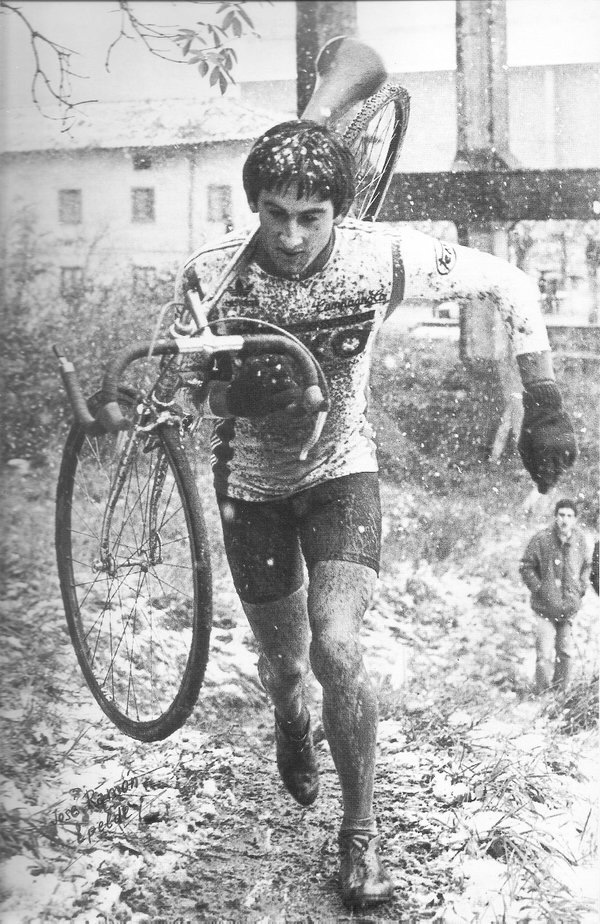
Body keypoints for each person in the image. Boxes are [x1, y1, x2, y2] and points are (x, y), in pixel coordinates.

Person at [176, 121, 577, 908]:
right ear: (254, 207)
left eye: (311, 216)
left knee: (338, 646)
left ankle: (360, 835)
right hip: (252, 490)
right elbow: (180, 395)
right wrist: (225, 394)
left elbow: (512, 285)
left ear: (341, 211)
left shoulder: (381, 257)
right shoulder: (213, 273)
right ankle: (291, 718)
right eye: (274, 214)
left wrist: (544, 397)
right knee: (286, 666)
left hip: (342, 474)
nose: (291, 236)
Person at [520, 499, 592, 694]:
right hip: (545, 608)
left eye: (569, 516)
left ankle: (561, 694)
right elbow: (526, 566)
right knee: (544, 654)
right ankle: (542, 694)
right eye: (561, 515)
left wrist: (580, 588)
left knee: (565, 653)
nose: (564, 520)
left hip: (568, 608)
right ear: (555, 516)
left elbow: (587, 566)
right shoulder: (541, 539)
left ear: (575, 519)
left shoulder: (580, 540)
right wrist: (540, 589)